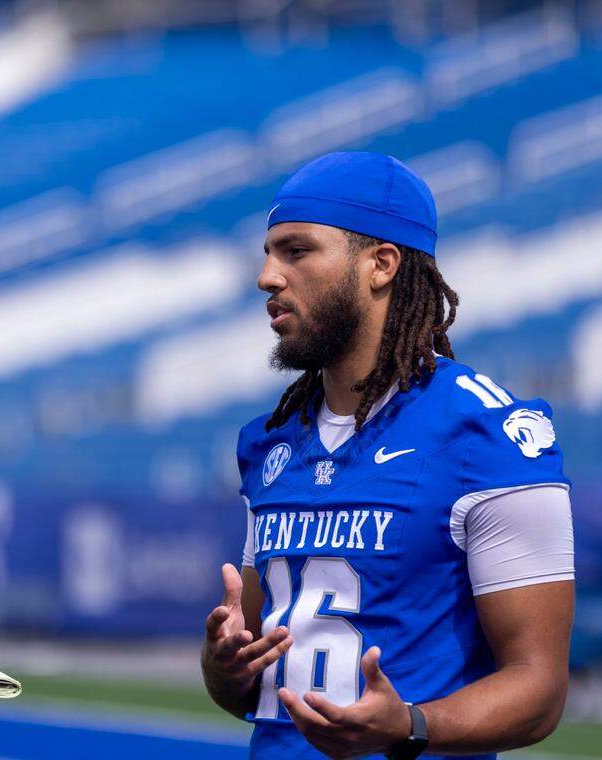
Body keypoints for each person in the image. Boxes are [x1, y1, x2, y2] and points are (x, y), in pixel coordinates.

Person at [200, 152, 574, 759]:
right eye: (268, 253)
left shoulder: (487, 434)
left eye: (296, 251)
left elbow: (540, 688)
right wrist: (225, 665)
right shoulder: (269, 441)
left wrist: (410, 724)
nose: (268, 276)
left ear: (380, 264)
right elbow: (247, 688)